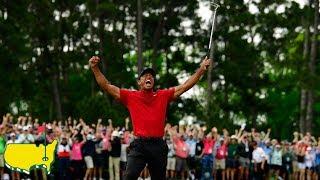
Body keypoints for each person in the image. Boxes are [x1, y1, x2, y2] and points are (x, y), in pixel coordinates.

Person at [89, 55, 211, 180]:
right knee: (128, 176)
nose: (149, 77)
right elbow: (107, 86)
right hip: (140, 145)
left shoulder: (162, 95)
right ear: (139, 82)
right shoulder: (130, 96)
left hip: (158, 145)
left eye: (151, 76)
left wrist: (201, 69)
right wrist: (95, 68)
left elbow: (185, 86)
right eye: (145, 76)